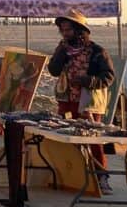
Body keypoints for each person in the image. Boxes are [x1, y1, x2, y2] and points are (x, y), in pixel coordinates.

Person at [48, 10, 116, 194]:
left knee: (93, 140)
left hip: (89, 103)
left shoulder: (97, 52)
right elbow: (53, 70)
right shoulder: (63, 49)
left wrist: (87, 80)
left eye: (68, 29)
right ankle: (74, 176)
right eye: (62, 30)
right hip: (66, 100)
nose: (65, 33)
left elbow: (108, 77)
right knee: (66, 138)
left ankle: (101, 177)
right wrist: (60, 53)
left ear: (79, 30)